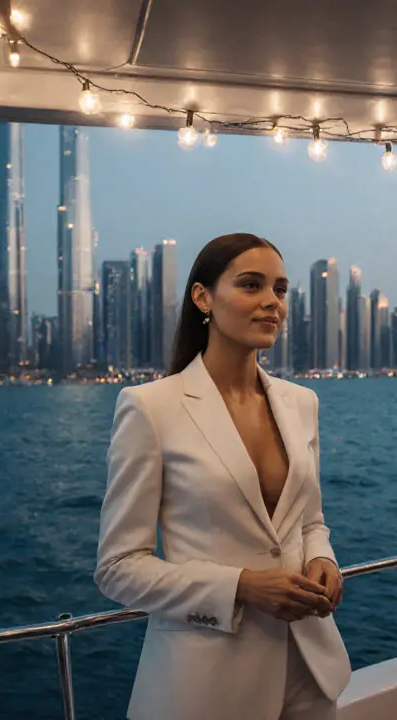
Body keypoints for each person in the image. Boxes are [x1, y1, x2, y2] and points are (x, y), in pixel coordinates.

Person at [95, 233, 350, 720]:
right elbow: (118, 567)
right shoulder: (151, 407)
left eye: (280, 289)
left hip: (310, 675)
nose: (271, 303)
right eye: (251, 285)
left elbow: (310, 520)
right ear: (202, 297)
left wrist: (324, 562)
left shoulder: (301, 403)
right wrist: (240, 586)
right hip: (207, 688)